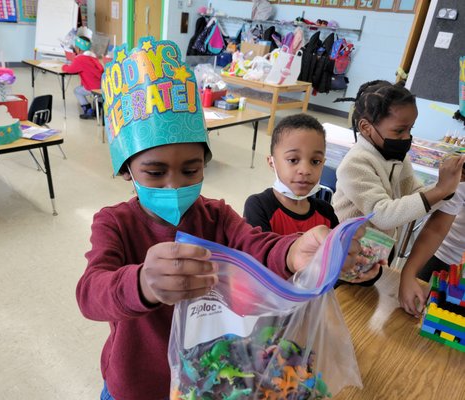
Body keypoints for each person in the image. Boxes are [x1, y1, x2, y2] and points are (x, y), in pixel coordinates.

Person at [76, 38, 366, 400]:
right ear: (126, 172)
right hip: (137, 385)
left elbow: (256, 246)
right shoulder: (114, 224)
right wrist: (143, 283)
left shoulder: (217, 216)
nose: (174, 184)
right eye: (154, 173)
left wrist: (294, 251)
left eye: (190, 170)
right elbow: (90, 293)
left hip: (206, 381)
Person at [332, 80, 465, 264]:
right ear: (365, 127)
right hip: (346, 254)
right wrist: (440, 190)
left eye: (410, 129)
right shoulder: (355, 164)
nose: (407, 137)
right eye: (399, 130)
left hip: (377, 252)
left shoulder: (398, 157)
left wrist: (449, 186)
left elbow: (417, 197)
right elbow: (383, 216)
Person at [244, 113, 381, 285]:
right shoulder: (258, 205)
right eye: (293, 160)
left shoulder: (325, 211)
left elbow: (338, 261)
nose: (305, 170)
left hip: (314, 303)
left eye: (315, 161)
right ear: (272, 162)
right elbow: (256, 267)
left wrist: (363, 273)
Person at [399, 181, 465, 317]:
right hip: (441, 253)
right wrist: (408, 274)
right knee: (414, 313)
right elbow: (436, 229)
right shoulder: (460, 176)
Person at [61, 35, 103, 119]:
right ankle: (98, 109)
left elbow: (70, 70)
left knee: (77, 91)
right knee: (98, 94)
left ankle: (88, 110)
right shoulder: (94, 57)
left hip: (91, 87)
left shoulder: (80, 59)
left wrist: (64, 66)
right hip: (101, 85)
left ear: (78, 49)